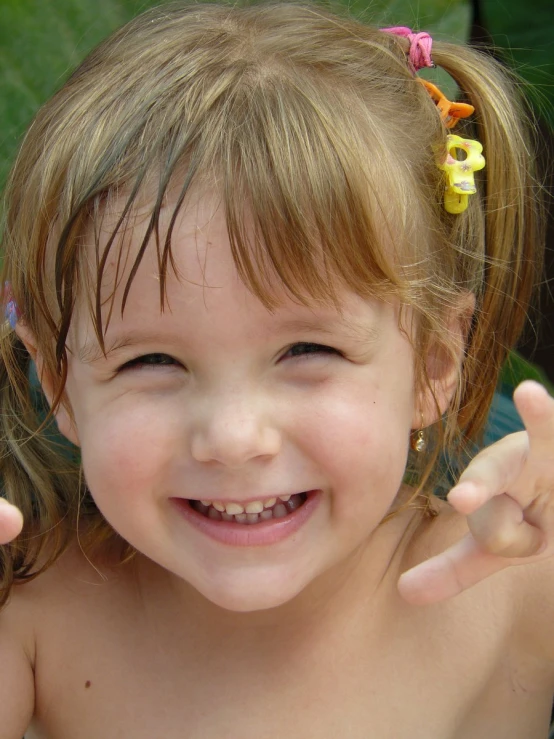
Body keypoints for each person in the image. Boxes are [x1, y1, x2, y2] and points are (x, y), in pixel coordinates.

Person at [0, 2, 553, 737]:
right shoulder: (35, 620)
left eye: (306, 352)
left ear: (434, 360)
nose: (233, 438)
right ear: (59, 380)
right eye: (152, 359)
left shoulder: (519, 582)